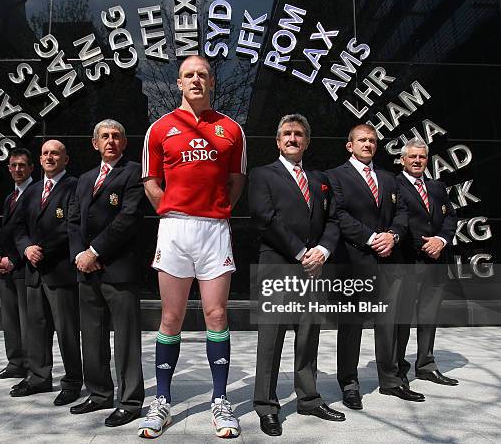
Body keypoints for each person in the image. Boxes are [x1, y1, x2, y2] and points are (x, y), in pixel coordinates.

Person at [138, 55, 247, 439]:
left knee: (217, 315)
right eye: (189, 75)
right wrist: (171, 210)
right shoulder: (160, 128)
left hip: (214, 230)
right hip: (175, 230)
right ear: (179, 83)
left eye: (202, 74)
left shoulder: (231, 129)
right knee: (171, 318)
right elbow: (151, 181)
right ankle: (162, 401)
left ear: (212, 82)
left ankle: (220, 401)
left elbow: (236, 179)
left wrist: (217, 211)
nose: (196, 80)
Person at [249, 114, 344, 437]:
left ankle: (309, 397)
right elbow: (265, 218)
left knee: (308, 335)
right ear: (278, 141)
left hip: (315, 268)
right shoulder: (262, 175)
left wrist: (323, 251)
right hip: (278, 265)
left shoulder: (320, 179)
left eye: (299, 134)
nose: (292, 138)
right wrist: (302, 253)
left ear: (306, 141)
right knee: (271, 338)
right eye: (287, 134)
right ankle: (266, 405)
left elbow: (333, 221)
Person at [326, 124, 422, 409]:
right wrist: (370, 238)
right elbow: (338, 214)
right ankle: (349, 383)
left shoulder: (389, 179)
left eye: (372, 140)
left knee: (388, 324)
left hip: (388, 260)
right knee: (352, 325)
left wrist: (392, 235)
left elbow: (403, 213)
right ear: (349, 145)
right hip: (353, 260)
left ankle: (391, 380)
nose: (367, 144)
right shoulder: (335, 177)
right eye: (362, 140)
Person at [67, 119, 145, 426]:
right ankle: (99, 394)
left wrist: (94, 252)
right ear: (95, 143)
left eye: (116, 137)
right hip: (86, 270)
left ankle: (130, 401)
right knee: (92, 335)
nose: (110, 141)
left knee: (126, 339)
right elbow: (72, 221)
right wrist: (79, 255)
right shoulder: (84, 179)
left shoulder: (134, 172)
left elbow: (128, 219)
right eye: (104, 136)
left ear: (124, 143)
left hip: (119, 269)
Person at [10, 139, 83, 406]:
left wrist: (42, 249)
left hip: (60, 271)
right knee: (36, 329)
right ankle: (39, 377)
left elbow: (72, 226)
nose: (49, 157)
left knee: (67, 331)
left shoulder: (74, 186)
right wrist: (26, 248)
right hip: (33, 271)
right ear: (39, 160)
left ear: (65, 159)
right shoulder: (32, 190)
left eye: (55, 154)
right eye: (45, 154)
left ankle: (73, 381)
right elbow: (17, 227)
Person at [396, 138, 459, 386]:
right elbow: (399, 221)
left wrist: (441, 240)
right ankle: (398, 367)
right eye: (412, 157)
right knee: (401, 318)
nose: (417, 161)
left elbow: (450, 217)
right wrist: (424, 244)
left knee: (429, 315)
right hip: (409, 260)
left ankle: (425, 365)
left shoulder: (437, 186)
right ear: (403, 159)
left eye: (421, 157)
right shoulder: (395, 185)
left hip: (436, 261)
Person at [0, 148, 34, 380]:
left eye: (22, 165)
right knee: (10, 320)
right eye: (14, 165)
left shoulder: (36, 193)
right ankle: (15, 364)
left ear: (31, 168)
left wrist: (13, 260)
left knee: (27, 323)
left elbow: (33, 233)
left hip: (25, 267)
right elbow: (5, 232)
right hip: (4, 269)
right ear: (8, 168)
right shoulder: (10, 197)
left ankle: (32, 368)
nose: (18, 169)